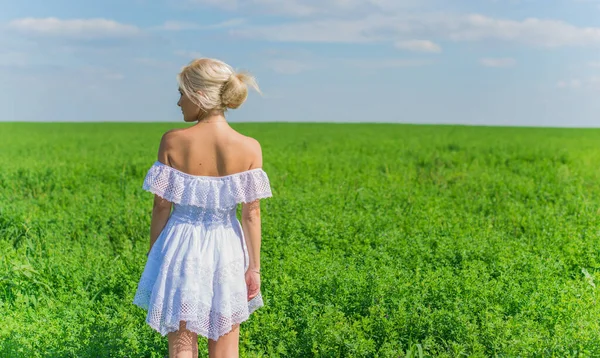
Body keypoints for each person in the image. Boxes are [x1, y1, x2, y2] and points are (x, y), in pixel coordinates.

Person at [132, 58, 273, 358]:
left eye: (182, 93)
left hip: (181, 244)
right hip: (228, 247)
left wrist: (154, 252)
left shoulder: (172, 141)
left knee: (181, 346)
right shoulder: (250, 147)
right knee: (225, 347)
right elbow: (251, 214)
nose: (179, 101)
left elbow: (161, 205)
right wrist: (254, 269)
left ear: (198, 95)